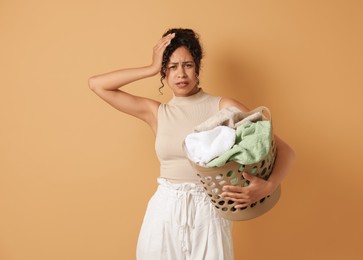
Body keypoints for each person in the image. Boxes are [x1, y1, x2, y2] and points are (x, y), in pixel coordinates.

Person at [89, 28, 295, 260]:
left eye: (187, 65)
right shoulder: (156, 112)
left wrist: (268, 187)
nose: (180, 74)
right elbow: (97, 85)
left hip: (210, 210)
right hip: (164, 210)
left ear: (197, 67)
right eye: (172, 66)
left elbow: (286, 151)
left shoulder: (223, 107)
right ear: (164, 73)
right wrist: (151, 68)